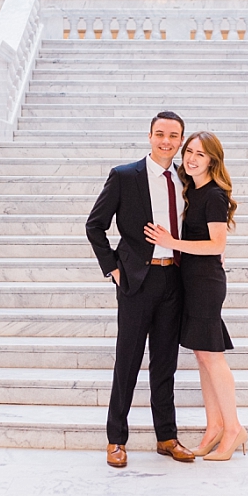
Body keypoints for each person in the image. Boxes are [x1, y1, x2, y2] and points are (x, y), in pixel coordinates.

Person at [85, 111, 195, 469]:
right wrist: (114, 269)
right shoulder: (124, 176)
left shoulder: (186, 178)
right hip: (136, 281)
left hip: (174, 281)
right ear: (149, 136)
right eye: (160, 134)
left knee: (165, 364)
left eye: (174, 135)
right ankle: (116, 439)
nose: (167, 141)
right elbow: (95, 226)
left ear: (181, 140)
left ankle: (167, 436)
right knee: (128, 362)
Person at [145, 131, 247, 461]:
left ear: (212, 160)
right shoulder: (193, 190)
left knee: (212, 357)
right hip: (191, 282)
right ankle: (214, 426)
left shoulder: (214, 195)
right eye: (189, 151)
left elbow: (217, 244)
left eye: (200, 154)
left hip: (205, 284)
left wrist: (172, 243)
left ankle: (233, 428)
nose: (191, 158)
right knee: (203, 357)